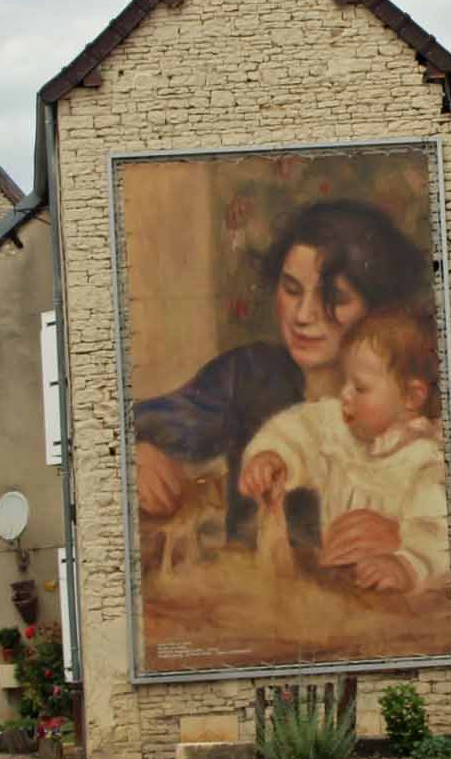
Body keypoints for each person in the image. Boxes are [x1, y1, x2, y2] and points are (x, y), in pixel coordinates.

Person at [134, 198, 427, 549]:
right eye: (291, 290)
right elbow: (132, 424)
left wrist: (405, 538)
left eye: (333, 298)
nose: (303, 315)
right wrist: (132, 449)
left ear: (376, 307)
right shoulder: (249, 375)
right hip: (256, 593)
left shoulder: (411, 399)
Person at [239, 306, 449, 594]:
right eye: (345, 381)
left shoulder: (429, 462)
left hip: (397, 604)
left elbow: (441, 536)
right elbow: (302, 429)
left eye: (360, 387)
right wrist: (273, 456)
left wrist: (404, 562)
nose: (345, 394)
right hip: (341, 590)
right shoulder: (342, 428)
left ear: (411, 397)